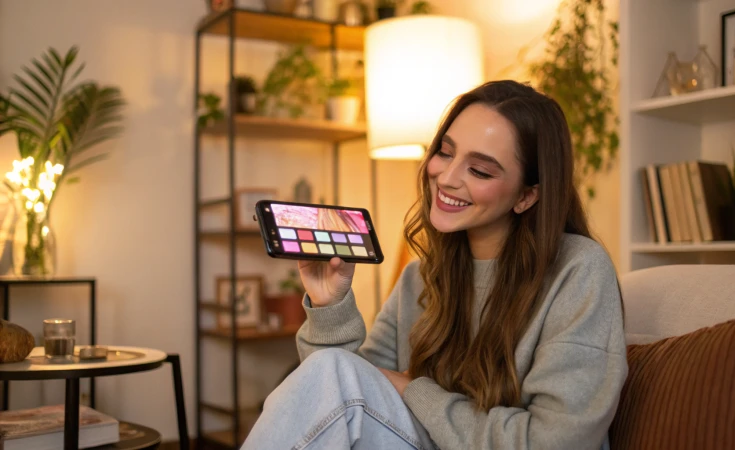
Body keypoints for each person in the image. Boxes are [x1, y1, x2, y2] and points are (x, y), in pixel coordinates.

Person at [242, 80, 628, 450]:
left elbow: (555, 442)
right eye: (445, 151)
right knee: (332, 371)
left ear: (526, 196)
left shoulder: (579, 271)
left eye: (479, 170)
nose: (446, 177)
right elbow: (343, 400)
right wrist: (329, 307)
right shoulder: (421, 277)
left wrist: (413, 389)